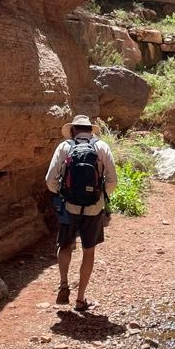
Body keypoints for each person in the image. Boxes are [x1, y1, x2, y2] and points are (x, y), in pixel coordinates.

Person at [45, 114, 118, 311]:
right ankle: (80, 299)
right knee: (89, 250)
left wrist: (62, 193)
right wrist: (99, 197)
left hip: (69, 206)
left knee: (65, 244)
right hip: (94, 209)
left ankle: (63, 284)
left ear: (73, 130)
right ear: (89, 130)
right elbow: (112, 181)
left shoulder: (65, 147)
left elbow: (50, 180)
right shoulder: (101, 147)